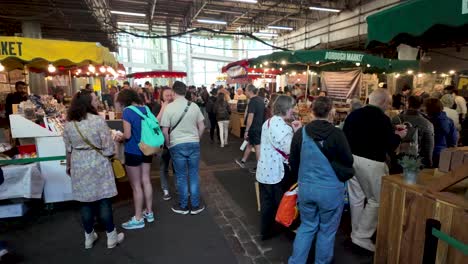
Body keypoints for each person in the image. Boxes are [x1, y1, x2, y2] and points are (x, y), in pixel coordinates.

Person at [289, 96, 354, 263]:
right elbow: (348, 161)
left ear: (312, 111)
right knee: (327, 231)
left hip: (307, 189)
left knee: (306, 227)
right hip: (330, 191)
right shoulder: (338, 134)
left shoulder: (301, 134)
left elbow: (293, 162)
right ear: (331, 111)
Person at [343, 88, 407, 252]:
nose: (389, 105)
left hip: (351, 160)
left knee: (356, 198)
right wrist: (399, 136)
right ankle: (361, 236)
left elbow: (345, 136)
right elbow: (390, 145)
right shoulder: (383, 119)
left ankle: (356, 231)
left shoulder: (353, 115)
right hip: (371, 163)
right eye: (389, 102)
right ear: (383, 102)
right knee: (376, 200)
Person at [63, 89, 124, 249]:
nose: (97, 102)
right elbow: (109, 149)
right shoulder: (98, 121)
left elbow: (68, 149)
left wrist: (69, 166)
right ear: (88, 103)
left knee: (85, 204)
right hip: (98, 164)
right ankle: (111, 237)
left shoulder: (69, 124)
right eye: (95, 99)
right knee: (104, 201)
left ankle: (88, 237)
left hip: (78, 164)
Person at [256, 95, 301, 240]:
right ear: (286, 109)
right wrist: (297, 132)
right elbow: (289, 149)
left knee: (266, 204)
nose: (293, 110)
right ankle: (286, 229)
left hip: (264, 169)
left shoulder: (268, 122)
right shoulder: (283, 127)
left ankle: (266, 231)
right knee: (283, 203)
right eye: (292, 107)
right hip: (276, 171)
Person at [161, 81, 205, 215]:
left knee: (181, 175)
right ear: (185, 92)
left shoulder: (169, 107)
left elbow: (164, 130)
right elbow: (202, 126)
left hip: (177, 145)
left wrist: (168, 144)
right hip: (193, 143)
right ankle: (196, 205)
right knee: (193, 174)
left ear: (174, 92)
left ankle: (184, 205)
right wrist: (197, 138)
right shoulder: (194, 106)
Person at [117, 89, 155, 229]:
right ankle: (149, 212)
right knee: (146, 180)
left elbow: (127, 135)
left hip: (133, 150)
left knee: (136, 185)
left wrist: (119, 137)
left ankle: (138, 218)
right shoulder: (145, 108)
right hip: (147, 149)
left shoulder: (127, 111)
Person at [392, 96, 435, 168]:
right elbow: (428, 147)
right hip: (416, 162)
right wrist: (429, 163)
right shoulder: (427, 123)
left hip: (397, 161)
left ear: (407, 104)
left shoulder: (396, 119)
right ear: (421, 106)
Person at [235, 85, 265, 172]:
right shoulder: (260, 100)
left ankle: (260, 168)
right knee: (249, 144)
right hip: (259, 126)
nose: (245, 92)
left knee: (257, 147)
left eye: (246, 90)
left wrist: (247, 130)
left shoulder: (252, 101)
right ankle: (243, 161)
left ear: (250, 91)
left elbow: (250, 116)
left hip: (254, 128)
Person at [424, 98, 458, 167]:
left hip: (426, 153)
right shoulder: (449, 121)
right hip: (443, 152)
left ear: (427, 109)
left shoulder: (425, 121)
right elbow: (453, 139)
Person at [156, 87, 174, 201]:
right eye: (166, 95)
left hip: (175, 140)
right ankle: (165, 190)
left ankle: (179, 187)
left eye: (170, 95)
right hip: (162, 142)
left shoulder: (176, 106)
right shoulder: (158, 107)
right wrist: (163, 107)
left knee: (177, 166)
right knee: (164, 166)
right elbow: (156, 122)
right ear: (161, 97)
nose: (169, 97)